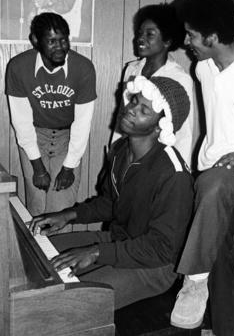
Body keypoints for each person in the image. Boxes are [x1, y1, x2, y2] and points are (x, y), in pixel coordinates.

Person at [29, 75, 194, 309]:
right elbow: (110, 203)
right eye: (134, 101)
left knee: (66, 303)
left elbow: (162, 248)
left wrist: (96, 253)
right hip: (118, 239)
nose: (131, 110)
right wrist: (68, 216)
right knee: (37, 258)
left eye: (144, 110)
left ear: (161, 126)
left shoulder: (173, 175)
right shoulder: (119, 149)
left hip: (154, 266)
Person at [170, 0, 234, 336]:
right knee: (217, 251)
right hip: (213, 168)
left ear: (212, 37)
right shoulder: (203, 69)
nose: (187, 42)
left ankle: (193, 282)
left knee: (213, 186)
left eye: (192, 35)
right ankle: (230, 329)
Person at [6, 12, 96, 216]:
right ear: (36, 41)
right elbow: (21, 122)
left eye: (64, 40)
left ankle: (58, 247)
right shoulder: (18, 67)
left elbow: (83, 123)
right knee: (37, 206)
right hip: (34, 136)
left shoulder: (83, 68)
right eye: (52, 41)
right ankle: (36, 248)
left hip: (68, 138)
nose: (60, 47)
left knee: (61, 208)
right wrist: (37, 167)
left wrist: (69, 166)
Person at [113, 3, 194, 168]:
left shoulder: (178, 77)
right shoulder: (132, 69)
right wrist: (113, 155)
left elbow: (184, 133)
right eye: (140, 33)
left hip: (157, 162)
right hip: (127, 154)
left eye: (150, 34)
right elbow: (123, 116)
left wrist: (179, 170)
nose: (140, 38)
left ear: (167, 41)